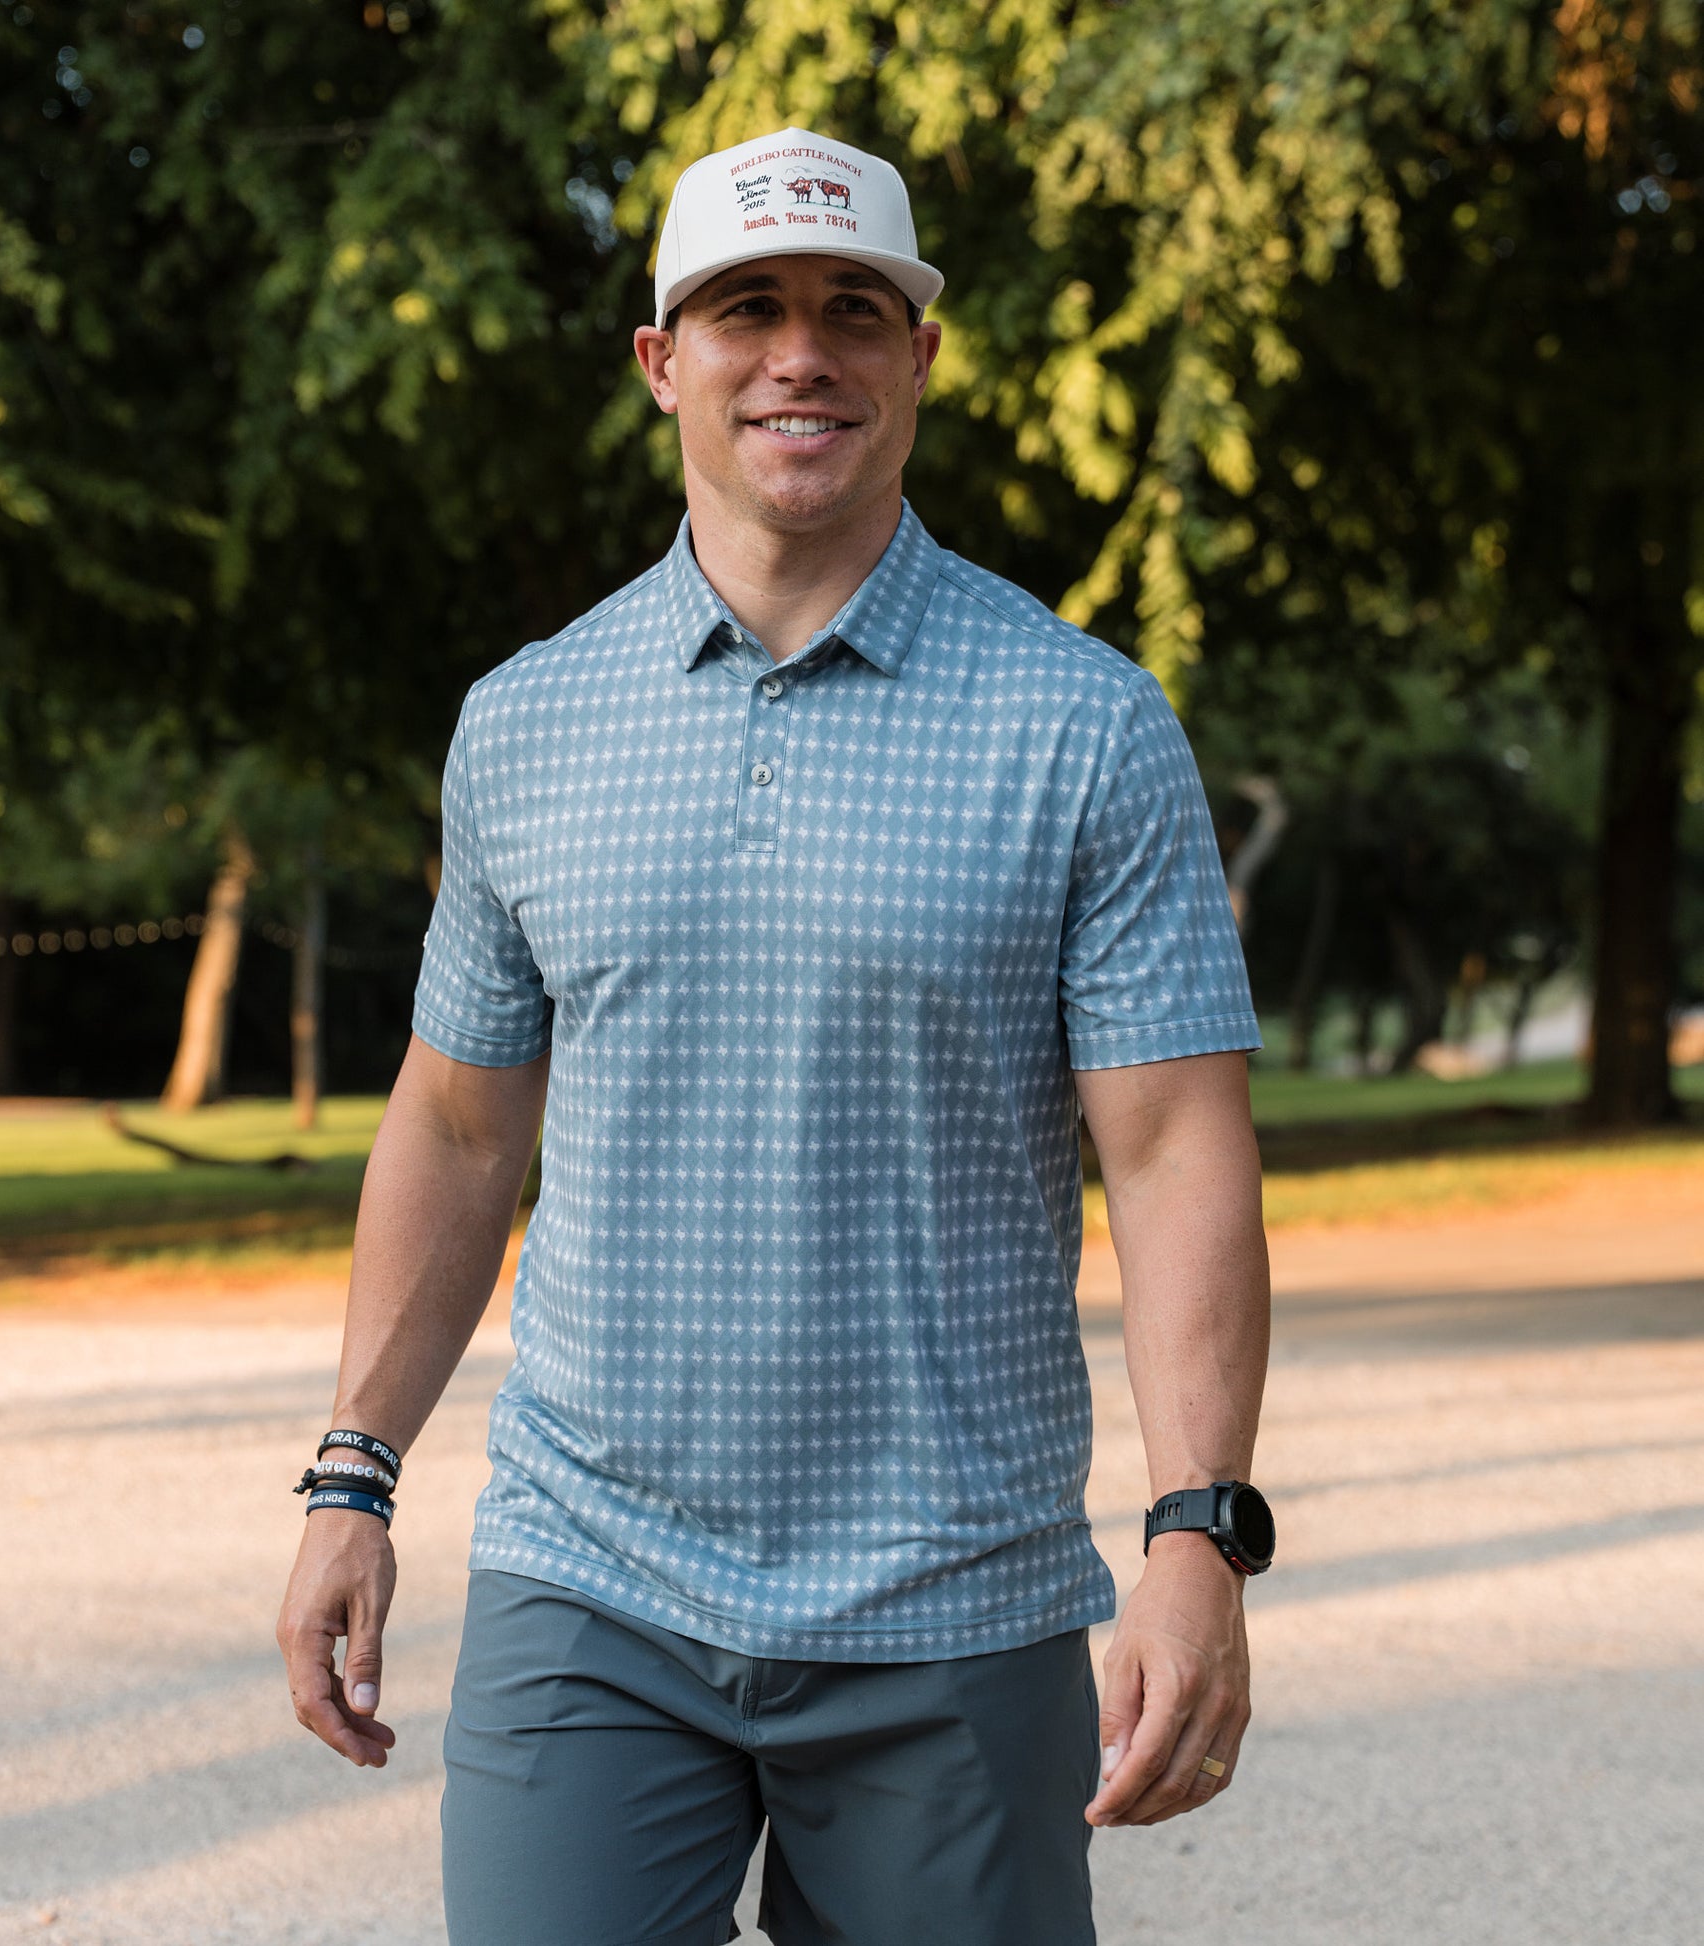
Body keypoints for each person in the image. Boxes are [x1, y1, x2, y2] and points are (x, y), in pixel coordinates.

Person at [276, 124, 1273, 1946]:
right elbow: (454, 1122)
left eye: (850, 309)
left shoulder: (1083, 724)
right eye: (746, 307)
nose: (798, 351)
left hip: (952, 1607)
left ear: (919, 358)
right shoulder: (526, 722)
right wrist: (355, 1470)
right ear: (664, 360)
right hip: (593, 1581)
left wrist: (1195, 1529)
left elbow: (1172, 1146)